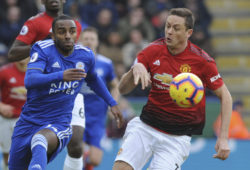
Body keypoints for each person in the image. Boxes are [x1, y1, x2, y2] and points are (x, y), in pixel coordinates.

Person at [113, 8, 232, 170]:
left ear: (188, 32)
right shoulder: (152, 50)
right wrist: (134, 69)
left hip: (176, 138)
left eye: (176, 28)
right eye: (167, 26)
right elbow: (123, 89)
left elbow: (226, 97)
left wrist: (223, 137)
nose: (169, 32)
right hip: (145, 127)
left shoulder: (203, 61)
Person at [8, 15, 123, 170]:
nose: (68, 35)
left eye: (72, 31)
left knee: (40, 140)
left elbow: (94, 79)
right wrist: (61, 76)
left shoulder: (85, 55)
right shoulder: (42, 49)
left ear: (77, 34)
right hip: (29, 121)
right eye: (62, 32)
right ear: (53, 35)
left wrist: (112, 103)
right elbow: (30, 80)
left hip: (58, 122)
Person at [8, 1, 86, 169]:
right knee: (31, 145)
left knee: (77, 142)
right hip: (44, 91)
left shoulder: (75, 25)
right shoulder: (35, 23)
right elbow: (13, 53)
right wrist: (42, 46)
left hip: (68, 89)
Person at [77, 27, 120, 170]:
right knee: (78, 152)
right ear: (80, 42)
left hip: (97, 115)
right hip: (78, 113)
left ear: (97, 42)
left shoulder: (105, 63)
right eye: (86, 39)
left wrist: (112, 103)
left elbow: (115, 85)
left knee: (95, 160)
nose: (89, 42)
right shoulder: (74, 61)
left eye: (92, 39)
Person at [0, 58, 29, 170]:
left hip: (27, 121)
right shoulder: (4, 71)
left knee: (25, 156)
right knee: (8, 157)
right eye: (19, 54)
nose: (22, 57)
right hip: (6, 119)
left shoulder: (37, 73)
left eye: (25, 54)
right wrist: (1, 106)